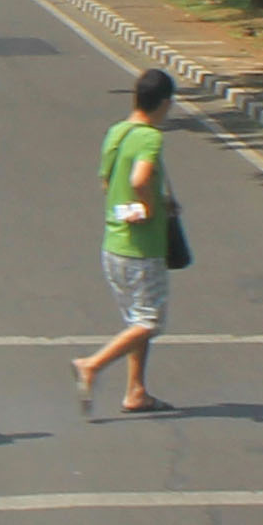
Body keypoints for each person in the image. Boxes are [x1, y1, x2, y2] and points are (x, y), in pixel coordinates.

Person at [74, 66, 179, 417]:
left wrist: (135, 206)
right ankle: (91, 365)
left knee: (137, 322)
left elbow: (106, 183)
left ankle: (137, 391)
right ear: (164, 103)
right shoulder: (150, 137)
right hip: (142, 250)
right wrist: (149, 209)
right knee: (149, 323)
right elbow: (139, 178)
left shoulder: (116, 133)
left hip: (114, 244)